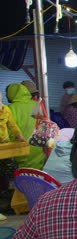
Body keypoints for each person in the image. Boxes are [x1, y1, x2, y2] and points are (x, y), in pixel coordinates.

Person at [5, 83, 46, 170]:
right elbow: (43, 125)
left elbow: (8, 132)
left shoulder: (10, 109)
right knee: (38, 175)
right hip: (38, 147)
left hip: (20, 148)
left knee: (23, 175)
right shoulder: (36, 105)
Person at [0, 91, 25, 221]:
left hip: (5, 147)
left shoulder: (6, 110)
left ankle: (11, 203)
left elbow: (13, 125)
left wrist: (20, 138)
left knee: (11, 173)